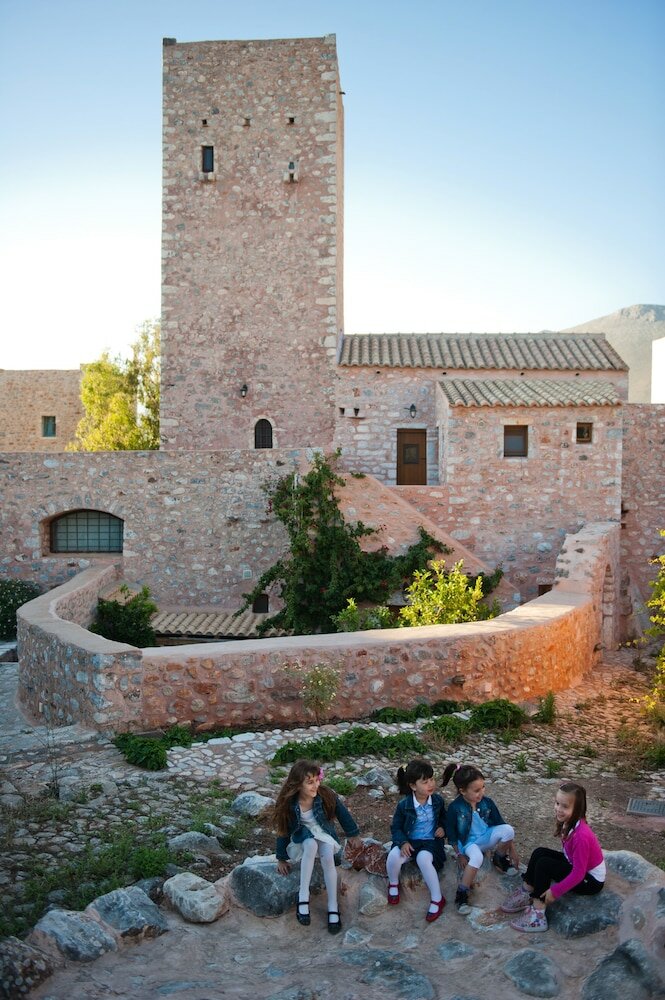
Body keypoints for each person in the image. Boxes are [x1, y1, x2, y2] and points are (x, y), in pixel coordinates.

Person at [503, 781, 605, 933]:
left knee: (544, 865)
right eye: (557, 803)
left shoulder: (581, 836)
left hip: (590, 880)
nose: (559, 809)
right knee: (539, 852)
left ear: (577, 809)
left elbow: (578, 874)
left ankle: (538, 915)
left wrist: (555, 891)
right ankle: (527, 892)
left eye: (565, 806)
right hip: (576, 865)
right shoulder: (569, 822)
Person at [274, 758, 361, 934]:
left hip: (322, 833)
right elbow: (282, 830)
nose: (316, 786)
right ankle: (303, 896)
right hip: (301, 838)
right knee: (310, 844)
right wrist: (281, 858)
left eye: (317, 780)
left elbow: (342, 812)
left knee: (328, 855)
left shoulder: (325, 795)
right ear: (298, 785)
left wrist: (353, 833)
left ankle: (333, 906)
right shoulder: (289, 804)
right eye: (310, 782)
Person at [443, 762, 518, 910]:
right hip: (469, 843)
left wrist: (511, 849)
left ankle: (499, 858)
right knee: (476, 858)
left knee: (508, 829)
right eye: (476, 790)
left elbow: (499, 823)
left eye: (483, 787)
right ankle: (462, 893)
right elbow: (451, 835)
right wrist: (459, 854)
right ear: (463, 791)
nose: (481, 792)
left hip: (486, 837)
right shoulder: (454, 808)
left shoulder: (487, 802)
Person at [386, 758, 447, 923]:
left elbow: (444, 819)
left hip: (429, 842)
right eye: (425, 782)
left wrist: (443, 827)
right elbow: (396, 828)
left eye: (432, 779)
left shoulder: (438, 801)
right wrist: (403, 842)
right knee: (394, 856)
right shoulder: (404, 805)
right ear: (413, 786)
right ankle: (393, 883)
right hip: (410, 841)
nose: (430, 784)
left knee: (423, 859)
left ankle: (437, 898)